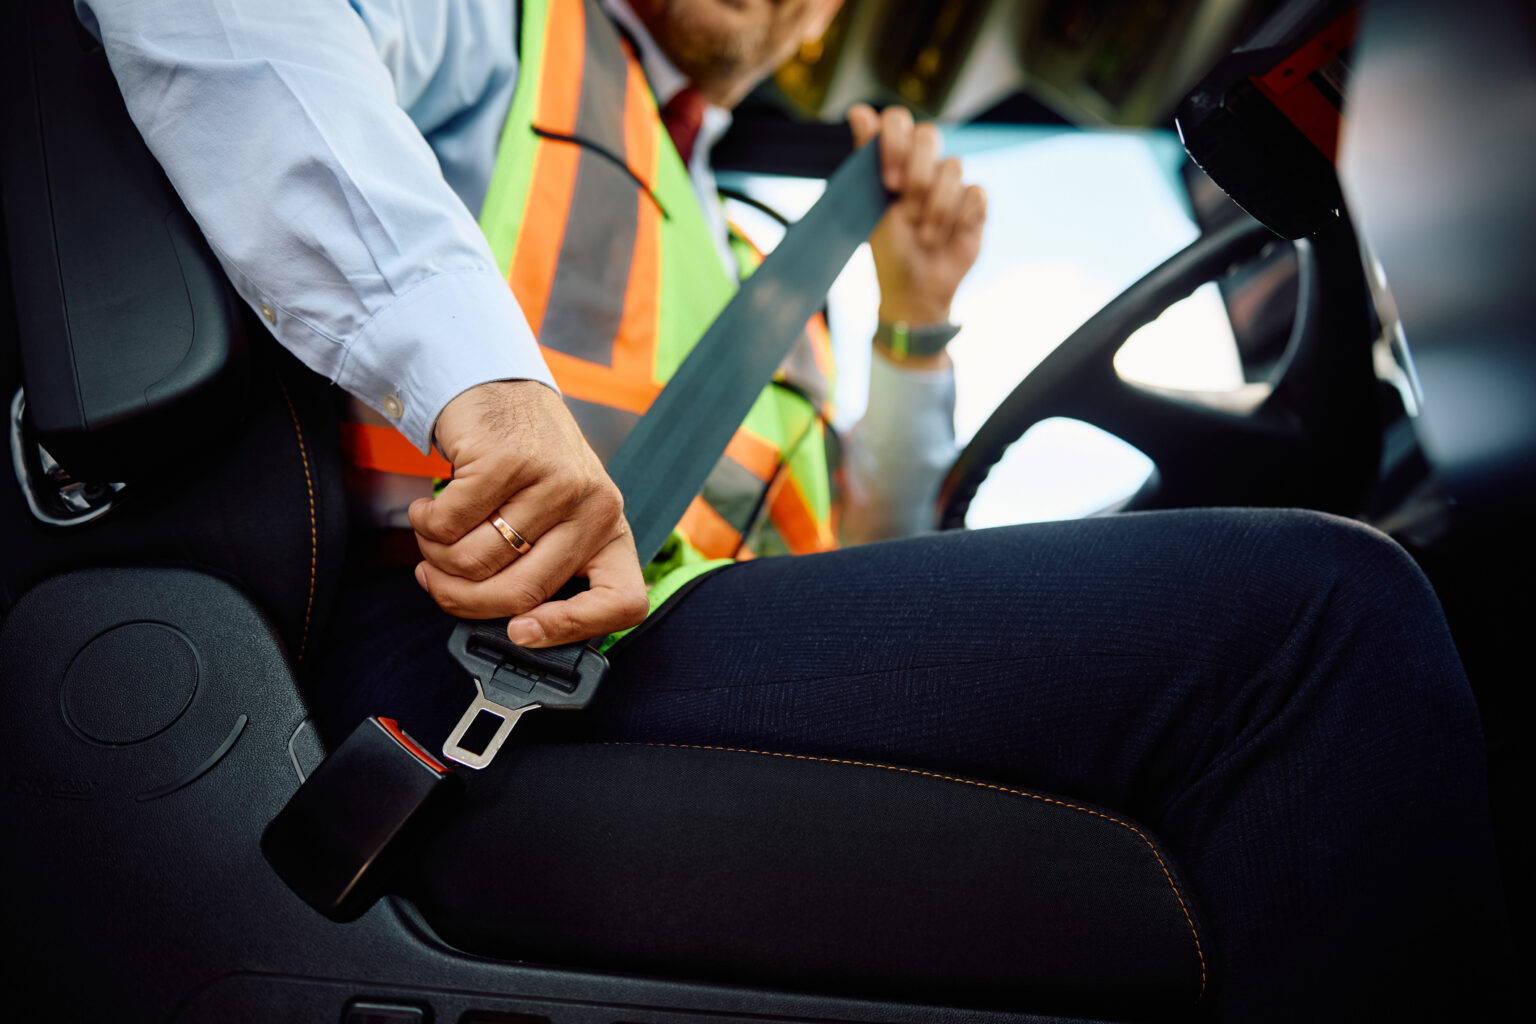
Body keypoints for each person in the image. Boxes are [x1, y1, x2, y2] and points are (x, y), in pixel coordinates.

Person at [78, 0, 1511, 1020]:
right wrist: (483, 389)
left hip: (660, 655)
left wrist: (916, 325)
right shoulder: (504, 29)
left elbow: (860, 578)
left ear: (811, 35)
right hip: (465, 660)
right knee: (1321, 633)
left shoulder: (757, 261)